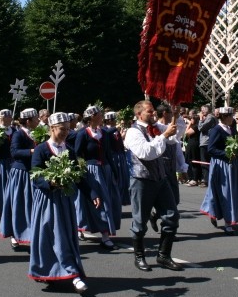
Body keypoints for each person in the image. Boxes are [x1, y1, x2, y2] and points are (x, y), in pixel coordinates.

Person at [28, 112, 90, 294]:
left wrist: (91, 193)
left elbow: (79, 177)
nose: (65, 132)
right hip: (47, 200)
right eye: (62, 129)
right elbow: (36, 175)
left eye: (68, 129)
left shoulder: (69, 151)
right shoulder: (42, 149)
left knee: (65, 237)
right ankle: (50, 271)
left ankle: (72, 273)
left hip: (65, 200)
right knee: (49, 237)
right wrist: (50, 183)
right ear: (52, 128)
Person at [124, 100, 182, 272]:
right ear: (139, 114)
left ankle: (164, 255)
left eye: (153, 111)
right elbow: (146, 153)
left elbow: (176, 136)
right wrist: (163, 136)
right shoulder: (133, 132)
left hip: (160, 179)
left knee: (172, 216)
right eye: (149, 112)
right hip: (141, 180)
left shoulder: (156, 127)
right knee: (140, 221)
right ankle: (140, 257)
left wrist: (175, 116)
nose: (153, 114)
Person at [74, 105, 118, 250]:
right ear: (92, 117)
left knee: (107, 200)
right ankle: (103, 235)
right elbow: (77, 154)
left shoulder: (103, 133)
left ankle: (105, 233)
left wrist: (114, 170)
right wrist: (81, 170)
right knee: (97, 202)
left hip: (104, 169)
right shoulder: (82, 134)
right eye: (99, 115)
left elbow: (108, 153)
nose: (102, 117)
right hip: (91, 170)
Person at [199, 106, 238, 235]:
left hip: (233, 165)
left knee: (232, 193)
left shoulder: (232, 130)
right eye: (231, 116)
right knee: (224, 193)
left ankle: (224, 217)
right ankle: (227, 222)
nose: (233, 118)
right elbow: (211, 149)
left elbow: (237, 149)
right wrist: (226, 153)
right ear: (224, 117)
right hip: (221, 165)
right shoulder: (216, 130)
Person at [0, 108, 38, 250]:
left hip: (34, 173)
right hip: (21, 173)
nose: (38, 121)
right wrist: (32, 151)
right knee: (18, 204)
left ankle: (32, 232)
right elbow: (14, 152)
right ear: (28, 121)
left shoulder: (36, 133)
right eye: (35, 119)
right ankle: (15, 234)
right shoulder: (18, 134)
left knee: (33, 205)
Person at [197, 105, 217, 187]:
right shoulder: (208, 117)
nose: (201, 112)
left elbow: (201, 128)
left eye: (203, 110)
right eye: (201, 110)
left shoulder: (210, 117)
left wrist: (201, 119)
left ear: (207, 110)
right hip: (204, 142)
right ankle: (207, 178)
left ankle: (206, 180)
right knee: (204, 161)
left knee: (205, 161)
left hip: (206, 142)